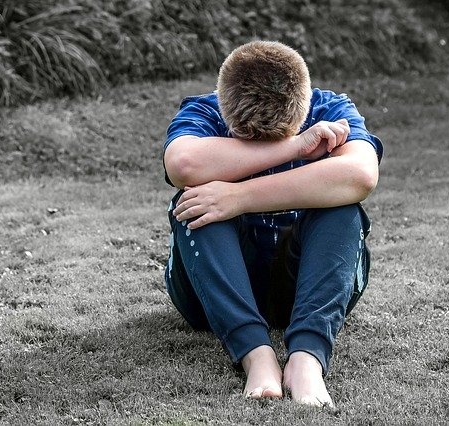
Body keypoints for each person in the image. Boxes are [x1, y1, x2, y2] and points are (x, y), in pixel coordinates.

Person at [162, 41, 383, 407]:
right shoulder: (203, 110)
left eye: (276, 139)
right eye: (247, 142)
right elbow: (183, 165)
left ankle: (307, 358)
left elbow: (361, 175)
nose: (261, 150)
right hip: (211, 294)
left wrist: (240, 197)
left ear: (306, 106)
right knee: (195, 201)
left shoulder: (331, 108)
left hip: (305, 282)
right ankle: (256, 354)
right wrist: (295, 147)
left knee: (343, 206)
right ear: (222, 105)